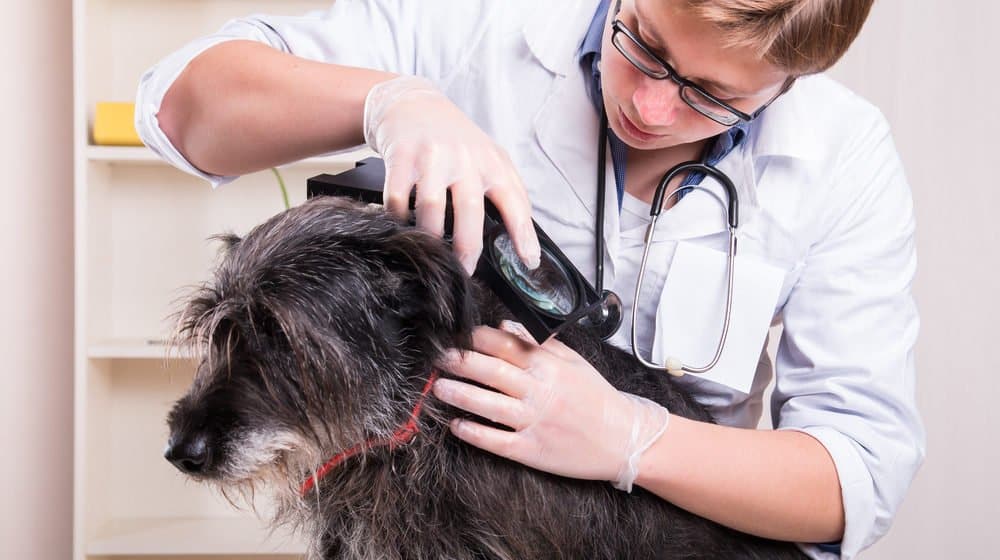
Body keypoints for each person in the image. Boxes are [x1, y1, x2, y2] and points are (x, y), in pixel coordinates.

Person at [135, 0, 925, 557]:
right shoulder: (479, 22)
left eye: (713, 96)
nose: (650, 108)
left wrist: (629, 440)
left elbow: (854, 478)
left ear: (789, 82)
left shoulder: (843, 155)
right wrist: (390, 101)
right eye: (644, 42)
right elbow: (182, 110)